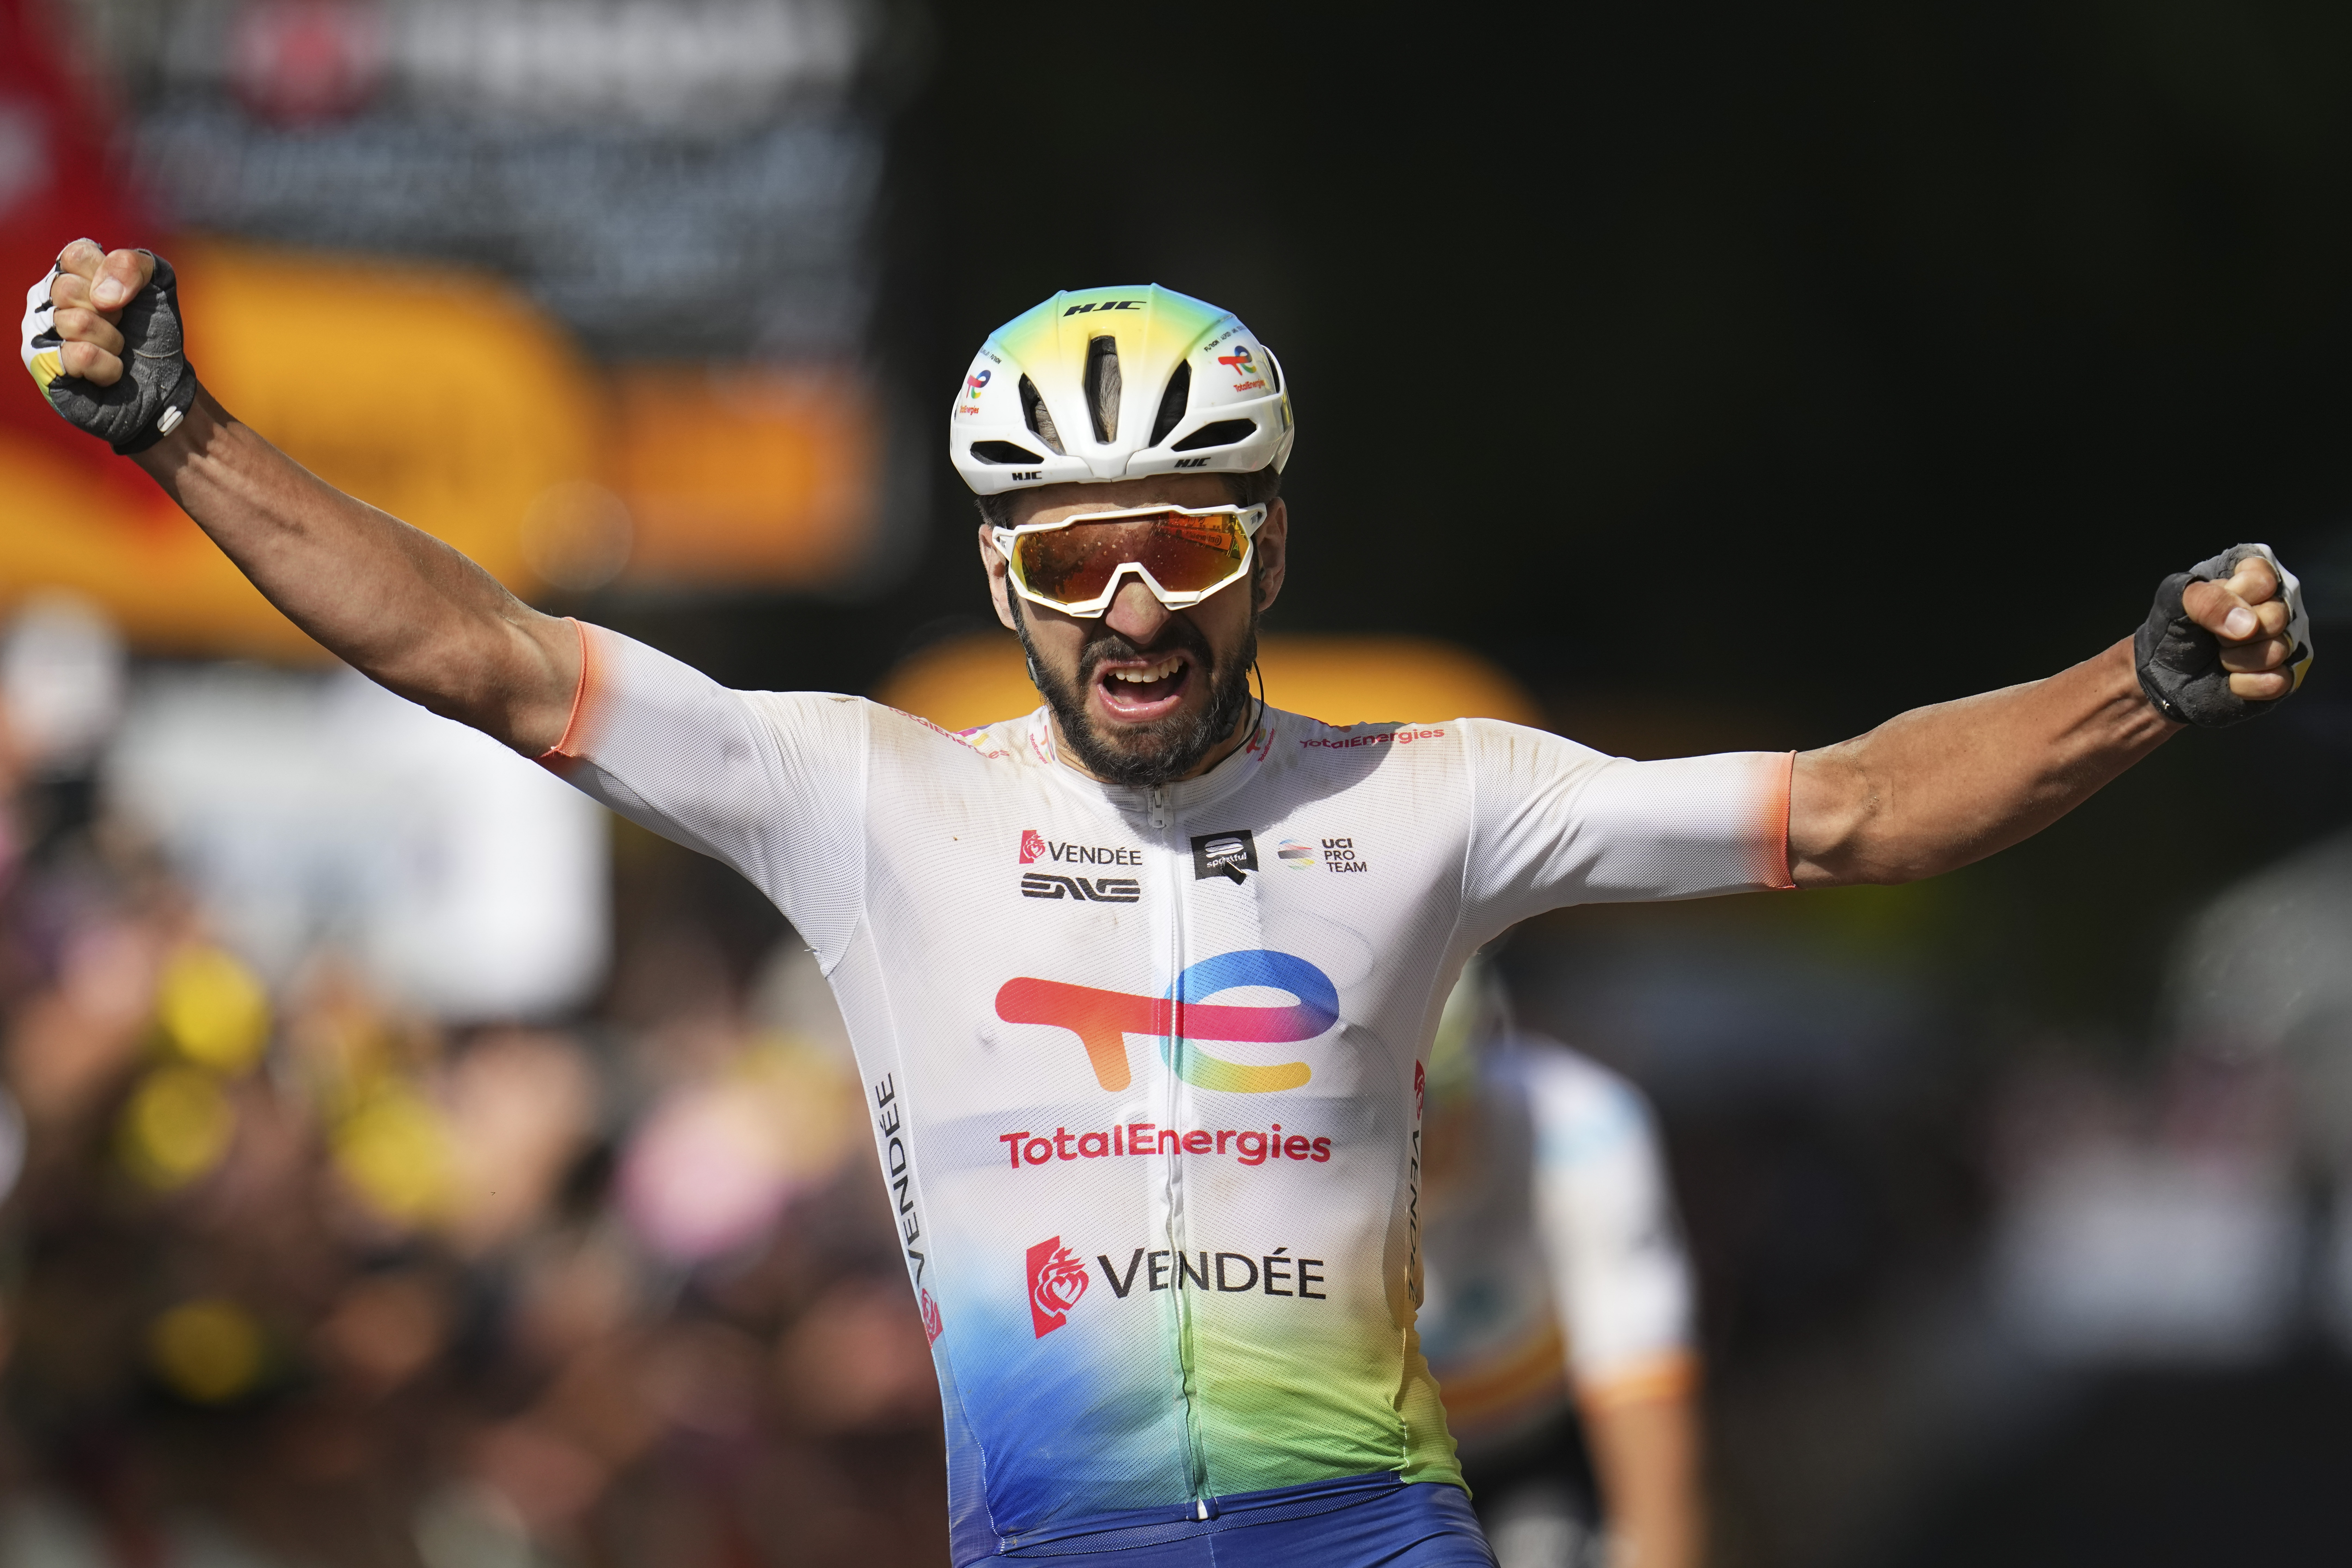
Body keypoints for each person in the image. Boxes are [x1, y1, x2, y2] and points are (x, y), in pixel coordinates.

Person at [19, 244, 2313, 1568]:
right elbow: (489, 653)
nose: (1134, 607)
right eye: (1073, 558)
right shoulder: (864, 792)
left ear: (1268, 552)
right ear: (1004, 577)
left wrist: (2143, 683)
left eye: (1189, 547)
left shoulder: (1441, 797)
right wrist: (178, 424)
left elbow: (1855, 808)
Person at [1419, 959, 1702, 1568]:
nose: (1411, 1142)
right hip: (1382, 1461)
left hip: (1538, 1446)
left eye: (1433, 1106)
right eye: (1370, 1116)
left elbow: (1643, 1406)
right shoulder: (1258, 1159)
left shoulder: (1583, 1127)